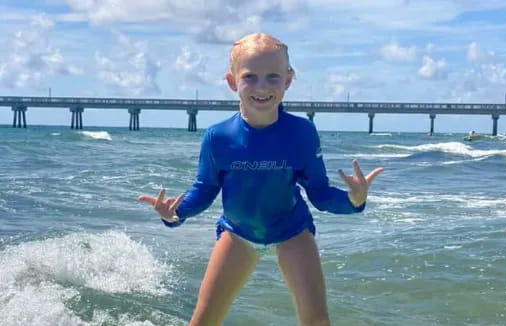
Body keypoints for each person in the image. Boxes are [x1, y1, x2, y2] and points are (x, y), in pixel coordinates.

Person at [138, 33, 383, 326]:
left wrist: (353, 200)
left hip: (292, 232)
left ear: (288, 80)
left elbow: (318, 192)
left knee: (316, 320)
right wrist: (176, 213)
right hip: (237, 233)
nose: (262, 87)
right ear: (232, 82)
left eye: (273, 77)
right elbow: (205, 190)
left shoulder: (301, 132)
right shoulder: (218, 137)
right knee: (203, 321)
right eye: (250, 77)